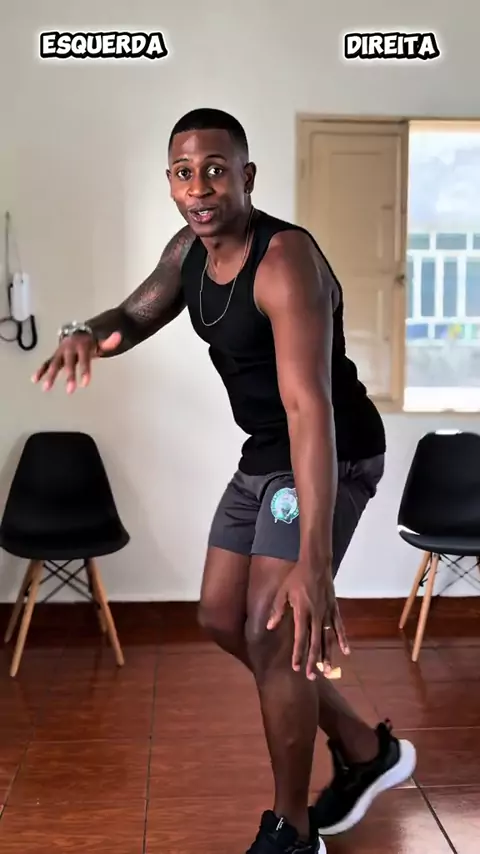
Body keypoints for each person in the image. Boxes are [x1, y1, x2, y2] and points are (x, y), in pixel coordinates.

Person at [32, 108, 416, 854]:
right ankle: (365, 748)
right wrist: (83, 333)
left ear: (247, 176)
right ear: (171, 183)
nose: (200, 187)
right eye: (184, 173)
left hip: (327, 451)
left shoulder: (285, 261)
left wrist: (314, 562)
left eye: (215, 170)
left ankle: (292, 831)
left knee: (274, 631)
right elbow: (132, 316)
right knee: (219, 616)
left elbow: (310, 410)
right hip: (264, 455)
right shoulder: (189, 251)